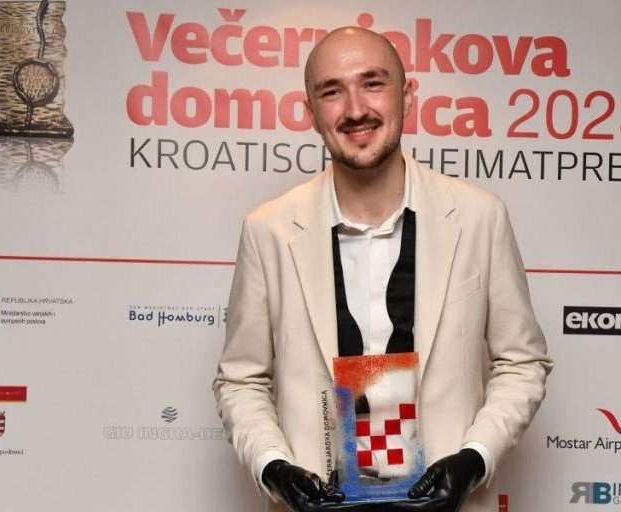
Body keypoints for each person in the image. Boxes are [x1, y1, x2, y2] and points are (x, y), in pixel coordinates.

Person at [213, 26, 553, 512]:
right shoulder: (268, 230)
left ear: (407, 95)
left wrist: (474, 459)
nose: (355, 109)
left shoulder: (480, 217)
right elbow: (241, 380)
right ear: (311, 112)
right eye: (332, 91)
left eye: (372, 83)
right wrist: (274, 467)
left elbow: (521, 362)